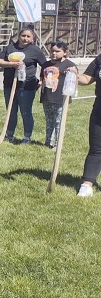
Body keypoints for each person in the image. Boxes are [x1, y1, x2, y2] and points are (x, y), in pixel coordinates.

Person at [0, 26, 47, 144]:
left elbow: (45, 66)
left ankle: (27, 137)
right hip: (9, 84)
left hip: (27, 86)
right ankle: (9, 135)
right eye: (23, 36)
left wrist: (41, 80)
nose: (25, 39)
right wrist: (10, 64)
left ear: (32, 38)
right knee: (11, 111)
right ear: (19, 36)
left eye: (28, 36)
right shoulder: (10, 47)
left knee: (25, 111)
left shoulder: (35, 51)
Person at [40, 41, 76, 150]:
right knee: (49, 120)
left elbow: (74, 80)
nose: (54, 53)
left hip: (61, 97)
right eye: (52, 51)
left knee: (58, 121)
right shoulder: (46, 64)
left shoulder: (69, 64)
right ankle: (48, 141)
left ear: (65, 52)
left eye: (57, 51)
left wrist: (74, 72)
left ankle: (57, 143)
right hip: (47, 96)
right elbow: (42, 77)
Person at [75, 56, 101, 197]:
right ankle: (87, 184)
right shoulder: (100, 60)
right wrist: (74, 75)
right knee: (96, 148)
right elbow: (87, 78)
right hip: (99, 109)